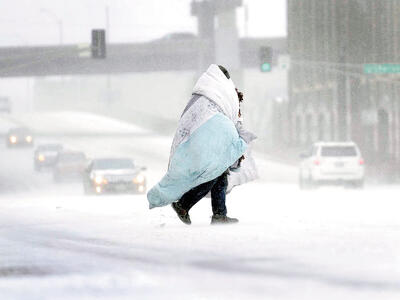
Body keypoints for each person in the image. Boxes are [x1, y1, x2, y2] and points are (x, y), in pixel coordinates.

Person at [147, 64, 255, 225]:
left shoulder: (203, 95)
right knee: (212, 175)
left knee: (219, 176)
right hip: (209, 143)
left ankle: (219, 214)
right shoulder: (218, 93)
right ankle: (184, 204)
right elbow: (225, 117)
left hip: (204, 142)